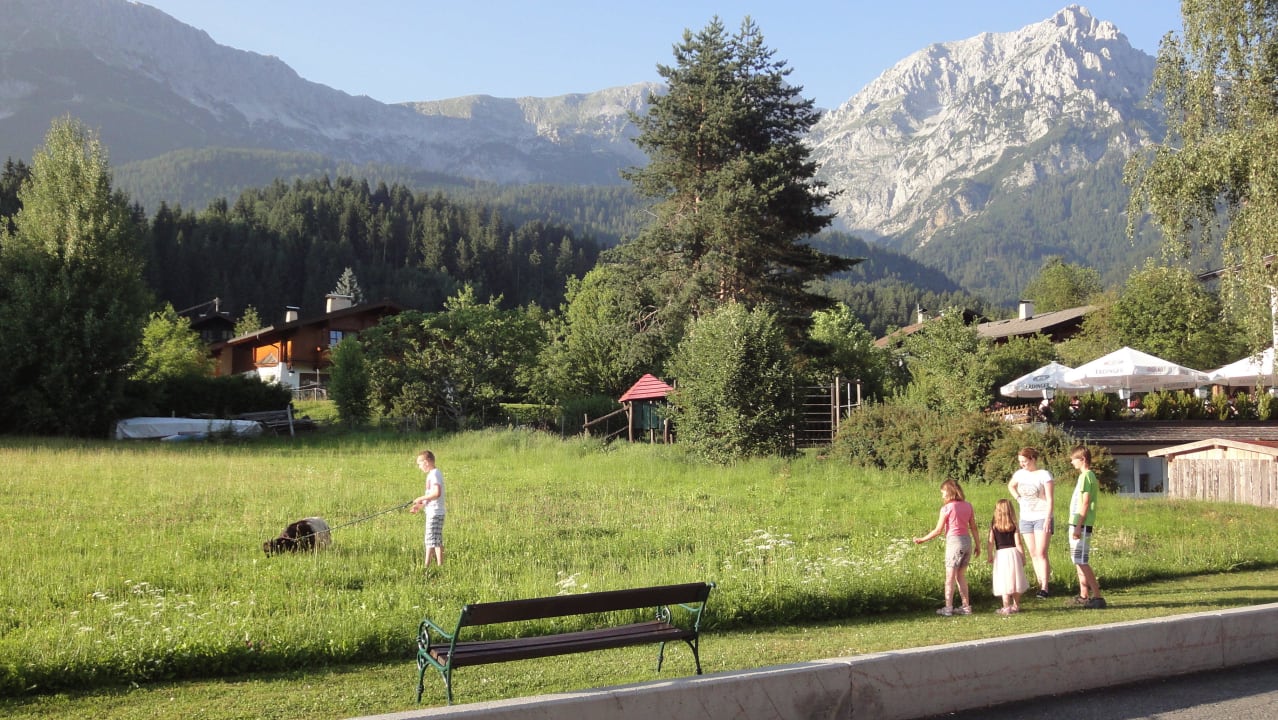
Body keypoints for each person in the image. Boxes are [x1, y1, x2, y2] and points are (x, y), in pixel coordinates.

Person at [914, 479, 981, 616]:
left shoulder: (947, 508)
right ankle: (966, 606)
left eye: (943, 492)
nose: (942, 495)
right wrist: (978, 545)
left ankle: (948, 607)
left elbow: (938, 530)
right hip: (967, 542)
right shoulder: (968, 506)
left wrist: (922, 539)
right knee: (961, 575)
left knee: (949, 576)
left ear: (949, 492)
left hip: (954, 542)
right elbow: (973, 527)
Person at [1008, 446, 1054, 598]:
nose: (1022, 464)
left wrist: (1048, 518)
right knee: (1033, 553)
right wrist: (1018, 498)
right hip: (1026, 518)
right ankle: (1040, 583)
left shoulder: (1043, 475)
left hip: (1042, 516)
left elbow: (1050, 498)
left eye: (1025, 461)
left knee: (1041, 552)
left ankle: (1045, 587)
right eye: (1020, 462)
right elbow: (1011, 485)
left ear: (1033, 459)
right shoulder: (1020, 474)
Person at [1067, 445, 1105, 609]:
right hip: (1077, 523)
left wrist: (1078, 526)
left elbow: (1085, 502)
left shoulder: (1086, 477)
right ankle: (1084, 595)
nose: (1072, 462)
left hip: (1081, 524)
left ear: (1082, 459)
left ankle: (1097, 596)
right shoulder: (1085, 476)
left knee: (1082, 561)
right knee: (1077, 560)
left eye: (1074, 459)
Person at [988, 498, 1029, 615]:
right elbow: (1019, 543)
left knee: (1003, 580)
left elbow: (990, 541)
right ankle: (1016, 605)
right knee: (1015, 579)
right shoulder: (1014, 525)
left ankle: (1006, 606)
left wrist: (989, 554)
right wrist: (1023, 556)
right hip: (1013, 553)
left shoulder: (994, 525)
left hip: (1001, 554)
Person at [409, 450, 446, 569]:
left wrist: (420, 497)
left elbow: (437, 493)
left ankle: (432, 566)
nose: (419, 467)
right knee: (433, 540)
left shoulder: (435, 474)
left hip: (435, 513)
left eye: (419, 464)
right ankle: (434, 565)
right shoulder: (432, 474)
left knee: (432, 540)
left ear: (426, 462)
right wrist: (420, 505)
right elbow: (431, 496)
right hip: (433, 511)